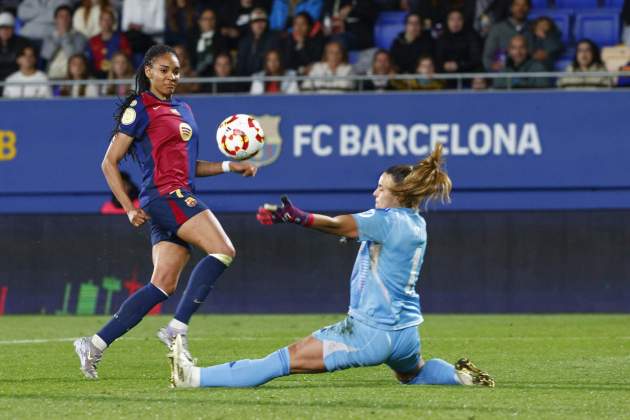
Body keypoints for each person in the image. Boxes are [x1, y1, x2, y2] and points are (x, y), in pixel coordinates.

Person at [168, 145, 496, 389]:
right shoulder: (416, 224)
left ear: (400, 195)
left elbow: (339, 224)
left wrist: (298, 217)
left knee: (279, 362)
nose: (375, 192)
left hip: (369, 334)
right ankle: (458, 377)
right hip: (406, 333)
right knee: (414, 373)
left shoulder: (384, 220)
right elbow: (370, 240)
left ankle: (192, 377)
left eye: (381, 188)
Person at [73, 44, 258, 380]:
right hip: (164, 197)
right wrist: (128, 208)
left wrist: (231, 165)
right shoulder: (139, 107)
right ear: (148, 71)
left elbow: (190, 167)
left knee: (162, 284)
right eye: (164, 70)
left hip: (176, 195)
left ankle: (94, 344)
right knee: (223, 249)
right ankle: (177, 329)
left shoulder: (184, 109)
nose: (171, 77)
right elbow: (109, 162)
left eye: (176, 71)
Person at [482, 0, 533, 72]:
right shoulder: (498, 28)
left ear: (529, 8)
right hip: (505, 75)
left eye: (524, 5)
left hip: (530, 74)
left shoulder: (534, 27)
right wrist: (491, 66)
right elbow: (487, 57)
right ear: (511, 8)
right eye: (517, 5)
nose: (520, 8)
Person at [41, 5, 88, 80]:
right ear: (55, 20)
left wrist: (65, 35)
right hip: (51, 76)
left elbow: (74, 58)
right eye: (61, 16)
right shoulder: (49, 37)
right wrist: (57, 37)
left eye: (67, 16)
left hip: (71, 77)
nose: (64, 19)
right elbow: (46, 55)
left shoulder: (80, 37)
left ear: (71, 19)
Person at [86, 8, 132, 78]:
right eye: (104, 19)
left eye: (109, 19)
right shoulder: (93, 41)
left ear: (114, 22)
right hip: (97, 75)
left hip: (117, 74)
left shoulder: (121, 39)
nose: (106, 22)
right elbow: (88, 60)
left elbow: (127, 58)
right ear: (99, 22)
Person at [435, 9, 482, 75]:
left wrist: (459, 65)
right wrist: (444, 65)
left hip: (467, 76)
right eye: (452, 19)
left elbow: (476, 60)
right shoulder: (441, 38)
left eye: (459, 19)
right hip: (445, 78)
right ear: (447, 22)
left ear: (463, 21)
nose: (455, 22)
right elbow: (437, 60)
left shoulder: (471, 37)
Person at [235, 8, 280, 76]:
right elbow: (240, 66)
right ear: (251, 24)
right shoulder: (244, 42)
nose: (259, 24)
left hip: (264, 80)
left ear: (266, 24)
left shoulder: (273, 40)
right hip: (245, 81)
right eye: (256, 21)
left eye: (263, 21)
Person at [0, 12, 32, 93]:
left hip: (17, 80)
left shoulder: (23, 43)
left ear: (13, 29)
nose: (5, 31)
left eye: (8, 28)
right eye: (2, 28)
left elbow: (28, 63)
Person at [190, 8, 228, 77]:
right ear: (199, 21)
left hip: (214, 76)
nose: (208, 22)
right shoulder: (192, 38)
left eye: (212, 19)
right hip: (194, 77)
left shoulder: (221, 39)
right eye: (205, 19)